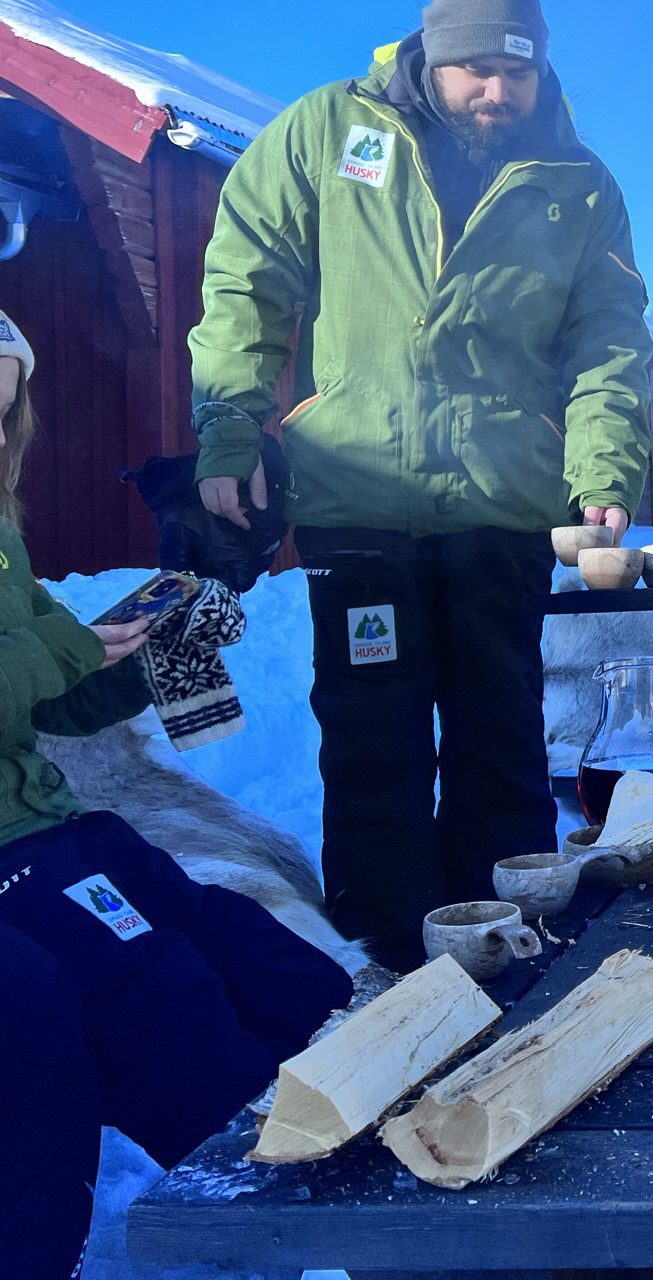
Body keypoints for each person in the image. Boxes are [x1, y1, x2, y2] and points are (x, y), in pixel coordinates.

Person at [189, 0, 653, 968]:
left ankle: (511, 946)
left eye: (517, 71)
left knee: (498, 737)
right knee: (374, 744)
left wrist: (604, 470)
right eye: (476, 67)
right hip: (358, 500)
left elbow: (610, 340)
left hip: (500, 505)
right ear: (431, 54)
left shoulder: (578, 185)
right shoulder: (327, 132)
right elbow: (244, 282)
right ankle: (388, 959)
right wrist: (227, 429)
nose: (497, 90)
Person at [0, 312, 351, 1280]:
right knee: (145, 984)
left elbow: (60, 701)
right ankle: (276, 1198)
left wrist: (152, 647)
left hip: (43, 823)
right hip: (6, 855)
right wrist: (68, 646)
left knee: (221, 931)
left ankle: (356, 1085)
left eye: (3, 417)